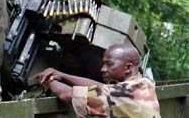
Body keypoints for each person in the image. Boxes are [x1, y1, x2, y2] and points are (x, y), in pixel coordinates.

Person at [33, 44, 161, 118]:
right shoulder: (144, 83)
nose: (102, 69)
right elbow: (100, 86)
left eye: (109, 64)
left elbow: (66, 95)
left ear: (128, 67)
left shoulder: (119, 94)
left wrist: (49, 78)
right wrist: (61, 75)